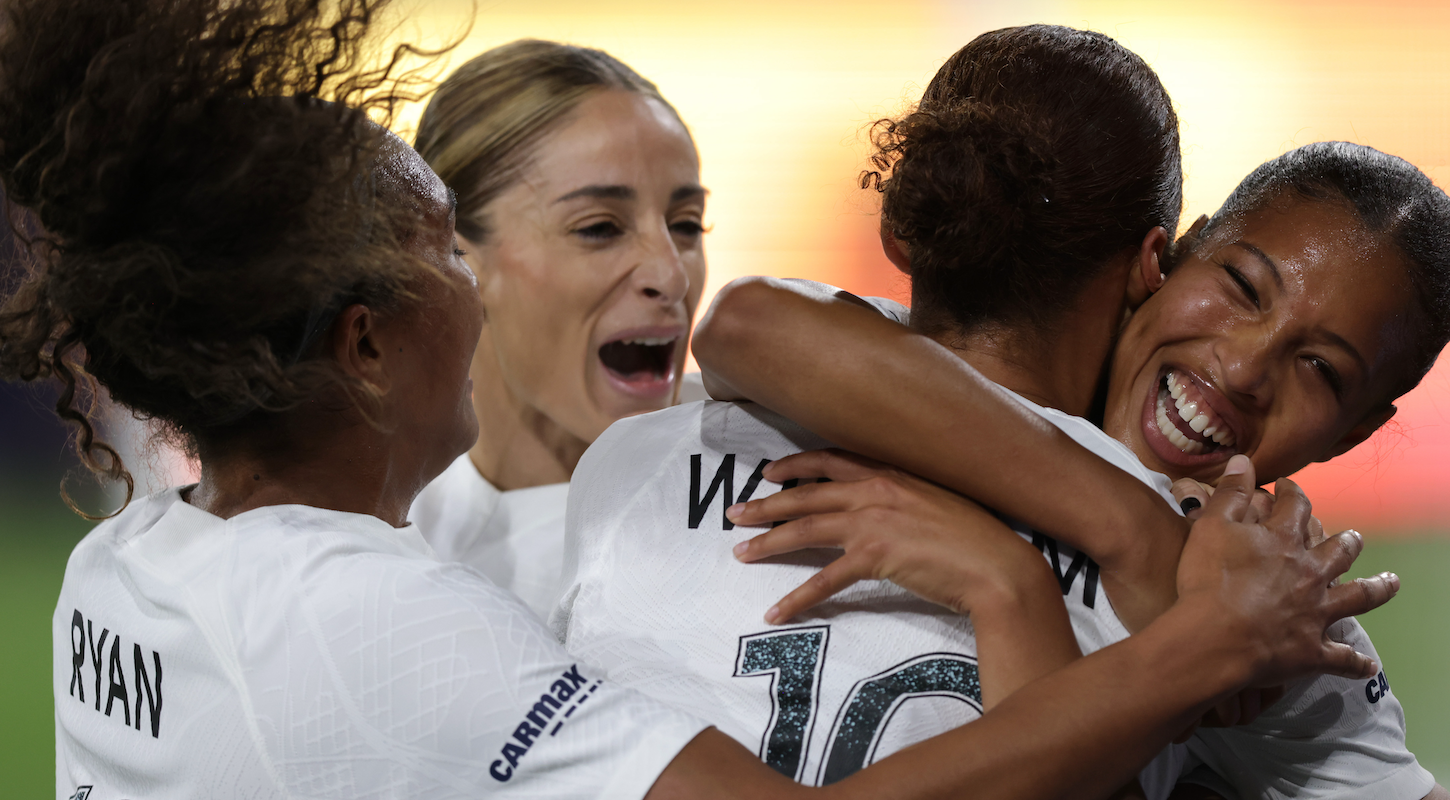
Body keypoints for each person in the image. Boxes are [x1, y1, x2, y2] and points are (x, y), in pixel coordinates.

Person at [1, 1, 1394, 798]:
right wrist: (1156, 630)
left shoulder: (121, 571)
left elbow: (764, 333)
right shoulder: (386, 623)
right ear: (361, 350)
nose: (479, 282)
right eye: (446, 247)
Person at [555, 26, 1447, 800]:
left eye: (1323, 368)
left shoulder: (643, 459)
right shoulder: (1243, 598)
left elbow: (755, 322)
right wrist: (1135, 541)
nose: (1247, 368)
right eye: (1242, 286)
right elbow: (755, 324)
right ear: (1162, 258)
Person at [407, 41, 706, 619]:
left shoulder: (783, 461)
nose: (671, 275)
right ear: (457, 265)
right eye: (599, 228)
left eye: (686, 224)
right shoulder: (380, 559)